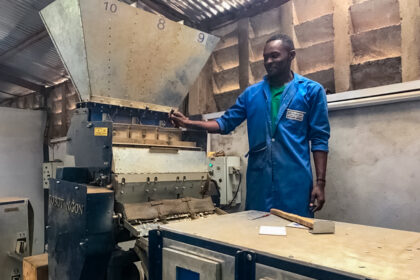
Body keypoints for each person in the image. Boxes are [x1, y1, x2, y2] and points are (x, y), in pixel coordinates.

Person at [170, 34, 330, 217]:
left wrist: (320, 183)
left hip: (295, 183)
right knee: (256, 232)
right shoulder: (251, 94)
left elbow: (319, 139)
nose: (269, 61)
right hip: (259, 184)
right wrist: (189, 123)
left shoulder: (311, 91)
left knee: (295, 235)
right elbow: (225, 123)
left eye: (275, 55)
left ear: (291, 55)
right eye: (265, 57)